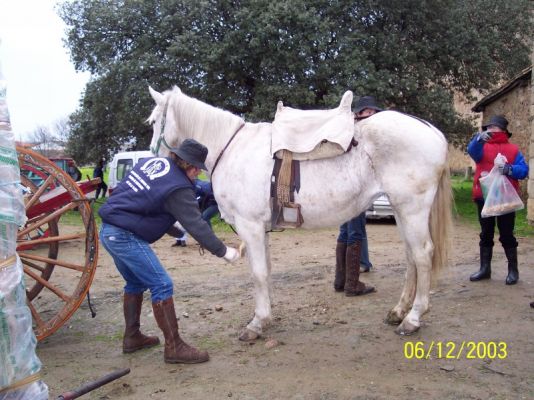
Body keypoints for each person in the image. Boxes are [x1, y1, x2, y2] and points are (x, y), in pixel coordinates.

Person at [98, 138, 240, 364]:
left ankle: (132, 337)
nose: (198, 176)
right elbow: (197, 225)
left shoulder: (150, 164)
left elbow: (141, 202)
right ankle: (174, 347)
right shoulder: (179, 186)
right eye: (198, 171)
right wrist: (223, 251)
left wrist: (175, 231)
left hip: (108, 230)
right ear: (191, 167)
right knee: (162, 284)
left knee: (135, 283)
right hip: (125, 235)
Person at [466, 115, 529, 285]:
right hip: (484, 197)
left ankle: (513, 271)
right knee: (486, 233)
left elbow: (523, 171)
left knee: (507, 234)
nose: (491, 129)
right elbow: (471, 151)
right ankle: (485, 269)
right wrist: (478, 139)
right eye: (488, 127)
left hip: (506, 199)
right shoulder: (482, 146)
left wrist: (508, 169)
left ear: (503, 130)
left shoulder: (513, 150)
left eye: (494, 127)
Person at [333, 96, 381, 296]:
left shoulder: (347, 131)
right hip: (355, 189)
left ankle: (340, 280)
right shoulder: (358, 133)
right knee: (355, 233)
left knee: (346, 232)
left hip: (345, 188)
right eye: (367, 112)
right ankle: (352, 284)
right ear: (358, 113)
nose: (370, 115)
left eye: (373, 112)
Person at [171, 179, 219, 247]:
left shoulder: (200, 185)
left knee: (204, 217)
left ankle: (212, 240)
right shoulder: (187, 186)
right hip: (206, 204)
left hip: (215, 204)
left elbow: (211, 194)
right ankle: (181, 240)